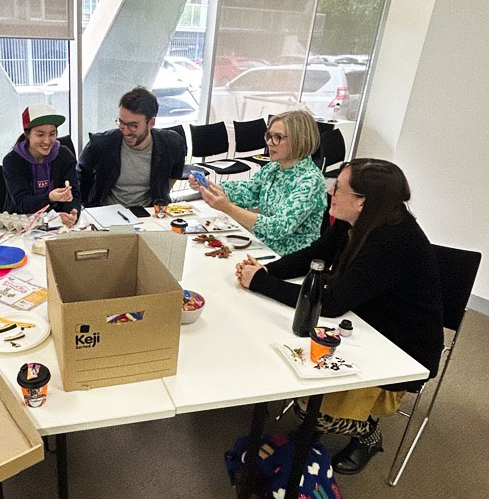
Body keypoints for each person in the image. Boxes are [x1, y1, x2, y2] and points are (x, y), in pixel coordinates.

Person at [236, 158, 443, 474]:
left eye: (339, 188)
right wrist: (264, 271)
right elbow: (314, 256)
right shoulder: (357, 220)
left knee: (310, 410)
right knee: (289, 361)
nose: (330, 190)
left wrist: (260, 283)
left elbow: (331, 303)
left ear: (363, 202)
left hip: (400, 350)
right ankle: (340, 412)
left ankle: (368, 433)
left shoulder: (393, 240)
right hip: (364, 324)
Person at [189, 109, 326, 257]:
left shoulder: (311, 181)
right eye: (269, 136)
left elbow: (278, 227)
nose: (269, 142)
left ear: (299, 140)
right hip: (264, 247)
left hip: (290, 260)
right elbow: (249, 191)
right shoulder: (273, 168)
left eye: (278, 137)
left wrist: (227, 207)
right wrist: (209, 186)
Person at [77, 87, 185, 208]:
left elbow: (174, 175)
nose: (126, 131)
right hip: (107, 212)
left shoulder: (172, 143)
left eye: (133, 126)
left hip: (149, 212)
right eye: (121, 123)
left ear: (151, 123)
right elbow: (80, 177)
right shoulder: (101, 144)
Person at [2, 105, 81, 226]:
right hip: (20, 225)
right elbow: (23, 203)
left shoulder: (64, 156)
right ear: (27, 134)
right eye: (40, 135)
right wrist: (50, 197)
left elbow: (74, 194)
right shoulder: (12, 161)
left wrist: (72, 212)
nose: (47, 141)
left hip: (57, 224)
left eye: (52, 134)